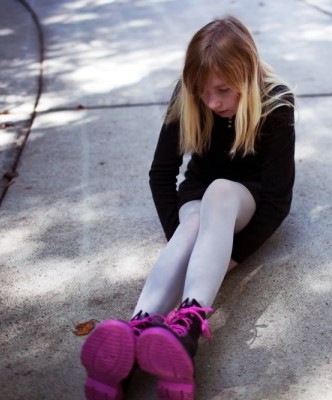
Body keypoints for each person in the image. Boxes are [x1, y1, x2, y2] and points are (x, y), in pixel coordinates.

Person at [79, 15, 295, 400]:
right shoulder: (188, 96)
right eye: (203, 92)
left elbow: (278, 200)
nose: (212, 102)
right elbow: (161, 174)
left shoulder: (276, 103)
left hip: (245, 199)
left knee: (220, 192)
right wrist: (180, 237)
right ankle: (137, 334)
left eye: (223, 90)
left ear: (247, 74)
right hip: (197, 199)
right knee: (195, 218)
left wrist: (236, 255)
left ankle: (188, 326)